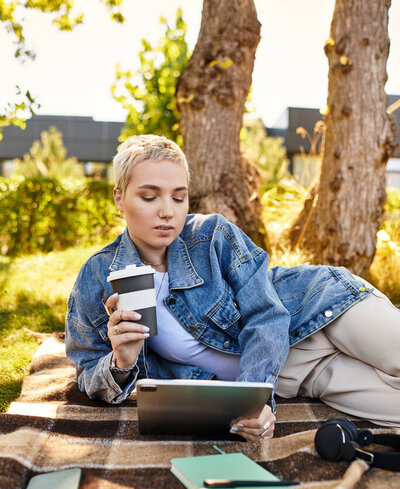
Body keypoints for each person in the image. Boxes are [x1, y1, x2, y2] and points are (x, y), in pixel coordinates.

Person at [65, 134, 400, 442]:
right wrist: (121, 363)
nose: (167, 211)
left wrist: (255, 397)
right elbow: (87, 370)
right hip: (305, 376)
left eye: (179, 198)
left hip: (326, 309)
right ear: (119, 198)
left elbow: (267, 315)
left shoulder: (211, 237)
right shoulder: (98, 277)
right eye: (149, 196)